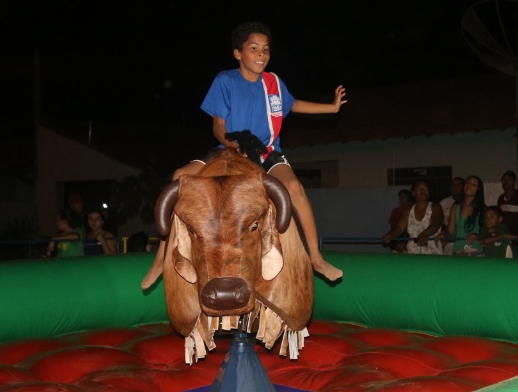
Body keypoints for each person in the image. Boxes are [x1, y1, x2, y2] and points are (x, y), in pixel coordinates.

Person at [142, 21, 347, 289]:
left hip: (266, 152)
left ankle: (317, 258)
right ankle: (161, 258)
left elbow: (293, 104)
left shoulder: (273, 82)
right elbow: (218, 126)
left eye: (266, 49)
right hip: (230, 148)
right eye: (254, 48)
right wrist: (233, 144)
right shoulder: (225, 80)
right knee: (180, 175)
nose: (261, 54)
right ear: (238, 53)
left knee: (295, 187)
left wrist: (331, 108)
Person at [382, 180, 443, 255]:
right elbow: (400, 227)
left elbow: (436, 223)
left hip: (432, 251)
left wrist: (425, 234)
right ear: (413, 193)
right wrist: (390, 235)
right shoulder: (408, 210)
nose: (423, 190)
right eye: (420, 189)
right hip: (413, 251)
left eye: (425, 189)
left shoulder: (435, 207)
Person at [445, 175, 485, 256]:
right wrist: (443, 235)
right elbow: (450, 231)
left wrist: (476, 235)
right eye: (467, 182)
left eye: (473, 184)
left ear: (478, 189)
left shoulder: (483, 208)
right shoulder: (455, 206)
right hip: (459, 249)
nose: (469, 185)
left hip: (476, 250)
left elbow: (487, 231)